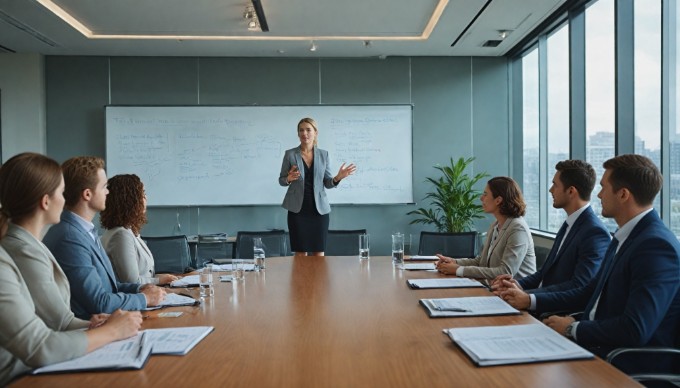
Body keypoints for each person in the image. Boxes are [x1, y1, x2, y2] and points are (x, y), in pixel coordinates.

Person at [501, 154, 680, 372]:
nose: (599, 194)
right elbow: (593, 295)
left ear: (623, 194)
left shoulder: (655, 246)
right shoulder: (624, 238)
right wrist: (567, 322)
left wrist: (573, 329)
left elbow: (635, 329)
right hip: (594, 346)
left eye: (604, 187)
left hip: (622, 363)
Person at [0, 152, 142, 385]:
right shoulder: (21, 250)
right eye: (61, 193)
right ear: (46, 202)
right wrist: (111, 331)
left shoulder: (31, 244)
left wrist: (96, 324)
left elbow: (62, 320)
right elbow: (42, 342)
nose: (65, 200)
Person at [43, 156, 166, 320]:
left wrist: (141, 288)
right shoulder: (69, 237)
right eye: (104, 187)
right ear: (87, 194)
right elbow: (98, 302)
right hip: (91, 330)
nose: (108, 192)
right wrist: (145, 298)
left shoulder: (85, 230)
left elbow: (111, 287)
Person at [490, 160, 610, 295]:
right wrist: (516, 284)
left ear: (571, 191)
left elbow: (579, 285)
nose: (550, 190)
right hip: (539, 301)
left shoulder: (594, 232)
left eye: (555, 185)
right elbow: (544, 273)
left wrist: (529, 298)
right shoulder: (568, 224)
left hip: (555, 311)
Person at [279, 118, 356, 257]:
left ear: (315, 132)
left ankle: (318, 280)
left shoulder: (323, 154)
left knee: (318, 254)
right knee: (300, 254)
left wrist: (338, 177)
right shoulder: (290, 154)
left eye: (308, 130)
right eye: (301, 130)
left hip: (319, 211)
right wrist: (288, 179)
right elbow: (281, 181)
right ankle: (300, 280)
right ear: (298, 134)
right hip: (297, 211)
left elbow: (327, 182)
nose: (305, 133)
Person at [435, 176, 536, 282]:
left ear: (498, 200)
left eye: (485, 194)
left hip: (516, 294)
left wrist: (459, 270)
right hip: (494, 289)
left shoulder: (517, 228)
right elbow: (481, 262)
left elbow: (506, 272)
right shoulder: (496, 225)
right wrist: (454, 262)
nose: (481, 198)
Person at [100, 174, 178, 285]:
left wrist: (160, 277)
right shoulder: (121, 235)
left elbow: (145, 274)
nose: (146, 198)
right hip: (139, 298)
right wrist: (159, 280)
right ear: (130, 201)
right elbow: (132, 281)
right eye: (143, 194)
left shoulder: (128, 231)